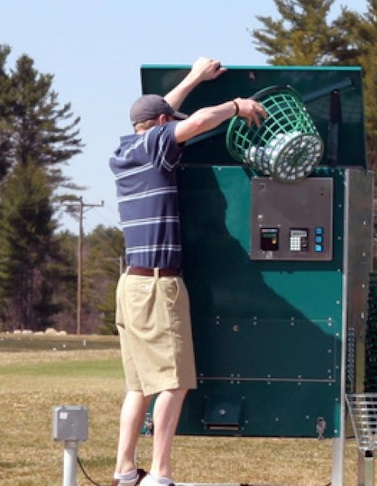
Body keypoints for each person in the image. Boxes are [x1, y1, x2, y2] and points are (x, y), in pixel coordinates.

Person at [108, 57, 266, 486]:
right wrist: (237, 104)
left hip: (131, 285)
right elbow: (193, 122)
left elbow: (164, 111)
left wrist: (195, 78)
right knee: (173, 384)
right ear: (161, 124)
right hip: (159, 287)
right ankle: (160, 473)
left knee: (139, 385)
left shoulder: (127, 148)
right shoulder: (158, 144)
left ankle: (124, 470)